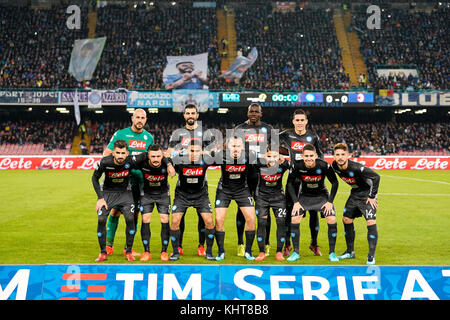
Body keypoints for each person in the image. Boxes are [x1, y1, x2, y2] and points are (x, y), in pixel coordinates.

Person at [165, 104, 217, 257]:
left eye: (192, 113)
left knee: (204, 217)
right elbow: (168, 153)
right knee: (179, 217)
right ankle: (178, 246)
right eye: (187, 113)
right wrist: (177, 157)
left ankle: (202, 246)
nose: (190, 115)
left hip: (201, 176)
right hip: (184, 175)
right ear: (184, 115)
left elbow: (214, 152)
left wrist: (199, 152)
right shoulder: (177, 134)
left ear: (197, 115)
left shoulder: (206, 133)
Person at [103, 108, 154, 257]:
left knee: (135, 213)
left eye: (142, 118)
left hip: (140, 182)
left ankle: (128, 248)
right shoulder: (121, 134)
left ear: (146, 120)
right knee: (116, 211)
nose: (140, 120)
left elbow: (151, 158)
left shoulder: (148, 137)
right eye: (137, 117)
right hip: (122, 180)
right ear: (132, 118)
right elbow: (107, 153)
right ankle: (108, 246)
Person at [279, 109, 323, 257]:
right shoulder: (287, 134)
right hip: (293, 179)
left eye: (301, 120)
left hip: (309, 180)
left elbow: (320, 156)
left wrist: (318, 170)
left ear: (306, 122)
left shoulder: (312, 136)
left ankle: (314, 243)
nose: (299, 123)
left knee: (313, 213)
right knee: (289, 213)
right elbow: (271, 141)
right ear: (293, 121)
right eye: (296, 120)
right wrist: (281, 154)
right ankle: (287, 245)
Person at [286, 144, 339, 262]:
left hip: (321, 195)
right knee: (295, 219)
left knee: (331, 219)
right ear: (302, 156)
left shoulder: (324, 165)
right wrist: (295, 202)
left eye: (311, 155)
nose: (309, 158)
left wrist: (330, 202)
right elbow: (289, 183)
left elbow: (335, 183)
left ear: (315, 155)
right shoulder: (297, 166)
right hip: (305, 195)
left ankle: (332, 253)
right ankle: (295, 252)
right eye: (306, 156)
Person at [233, 103, 274, 257]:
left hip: (262, 175)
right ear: (247, 112)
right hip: (244, 175)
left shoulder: (269, 129)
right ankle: (240, 243)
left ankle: (267, 243)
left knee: (265, 210)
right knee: (242, 209)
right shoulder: (239, 129)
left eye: (257, 111)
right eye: (251, 111)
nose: (254, 114)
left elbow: (274, 151)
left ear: (261, 113)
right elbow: (233, 149)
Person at [332, 143, 380, 265]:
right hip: (355, 194)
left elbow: (376, 177)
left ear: (348, 155)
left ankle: (371, 257)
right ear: (334, 156)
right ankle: (350, 252)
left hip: (367, 195)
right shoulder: (334, 166)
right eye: (337, 155)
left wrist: (372, 196)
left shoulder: (357, 168)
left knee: (370, 221)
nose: (340, 157)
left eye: (343, 154)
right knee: (346, 219)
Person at [92, 140, 138, 262]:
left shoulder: (131, 161)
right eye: (118, 153)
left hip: (125, 193)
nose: (120, 156)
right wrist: (100, 198)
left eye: (123, 153)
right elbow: (94, 178)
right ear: (113, 152)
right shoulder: (104, 162)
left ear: (127, 153)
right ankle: (103, 253)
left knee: (130, 218)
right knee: (101, 219)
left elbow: (148, 156)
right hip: (107, 193)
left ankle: (128, 251)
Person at [212, 136, 257, 261]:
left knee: (251, 219)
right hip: (224, 190)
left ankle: (248, 251)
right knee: (219, 219)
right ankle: (221, 251)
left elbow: (265, 163)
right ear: (228, 147)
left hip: (242, 190)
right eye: (233, 146)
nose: (235, 149)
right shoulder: (221, 155)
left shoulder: (249, 156)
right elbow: (203, 159)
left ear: (242, 147)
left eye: (238, 146)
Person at [169, 142, 216, 261]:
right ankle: (176, 251)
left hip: (201, 195)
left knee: (209, 221)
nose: (194, 154)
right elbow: (166, 157)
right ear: (187, 151)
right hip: (182, 195)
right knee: (175, 221)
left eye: (197, 151)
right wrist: (169, 164)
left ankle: (207, 251)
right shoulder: (179, 161)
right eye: (192, 151)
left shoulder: (206, 160)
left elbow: (221, 156)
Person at [131, 144, 176, 261]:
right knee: (145, 219)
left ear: (162, 155)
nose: (156, 159)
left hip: (163, 195)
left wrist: (169, 164)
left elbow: (172, 161)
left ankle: (164, 252)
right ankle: (147, 252)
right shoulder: (142, 161)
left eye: (158, 156)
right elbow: (128, 162)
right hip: (146, 195)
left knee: (165, 220)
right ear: (148, 156)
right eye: (153, 156)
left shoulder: (168, 161)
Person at [254, 146, 289, 261]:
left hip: (278, 198)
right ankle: (261, 252)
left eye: (275, 156)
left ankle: (279, 252)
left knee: (280, 223)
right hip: (262, 198)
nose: (272, 159)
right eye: (269, 156)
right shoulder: (259, 164)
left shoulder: (283, 165)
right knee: (261, 223)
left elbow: (295, 171)